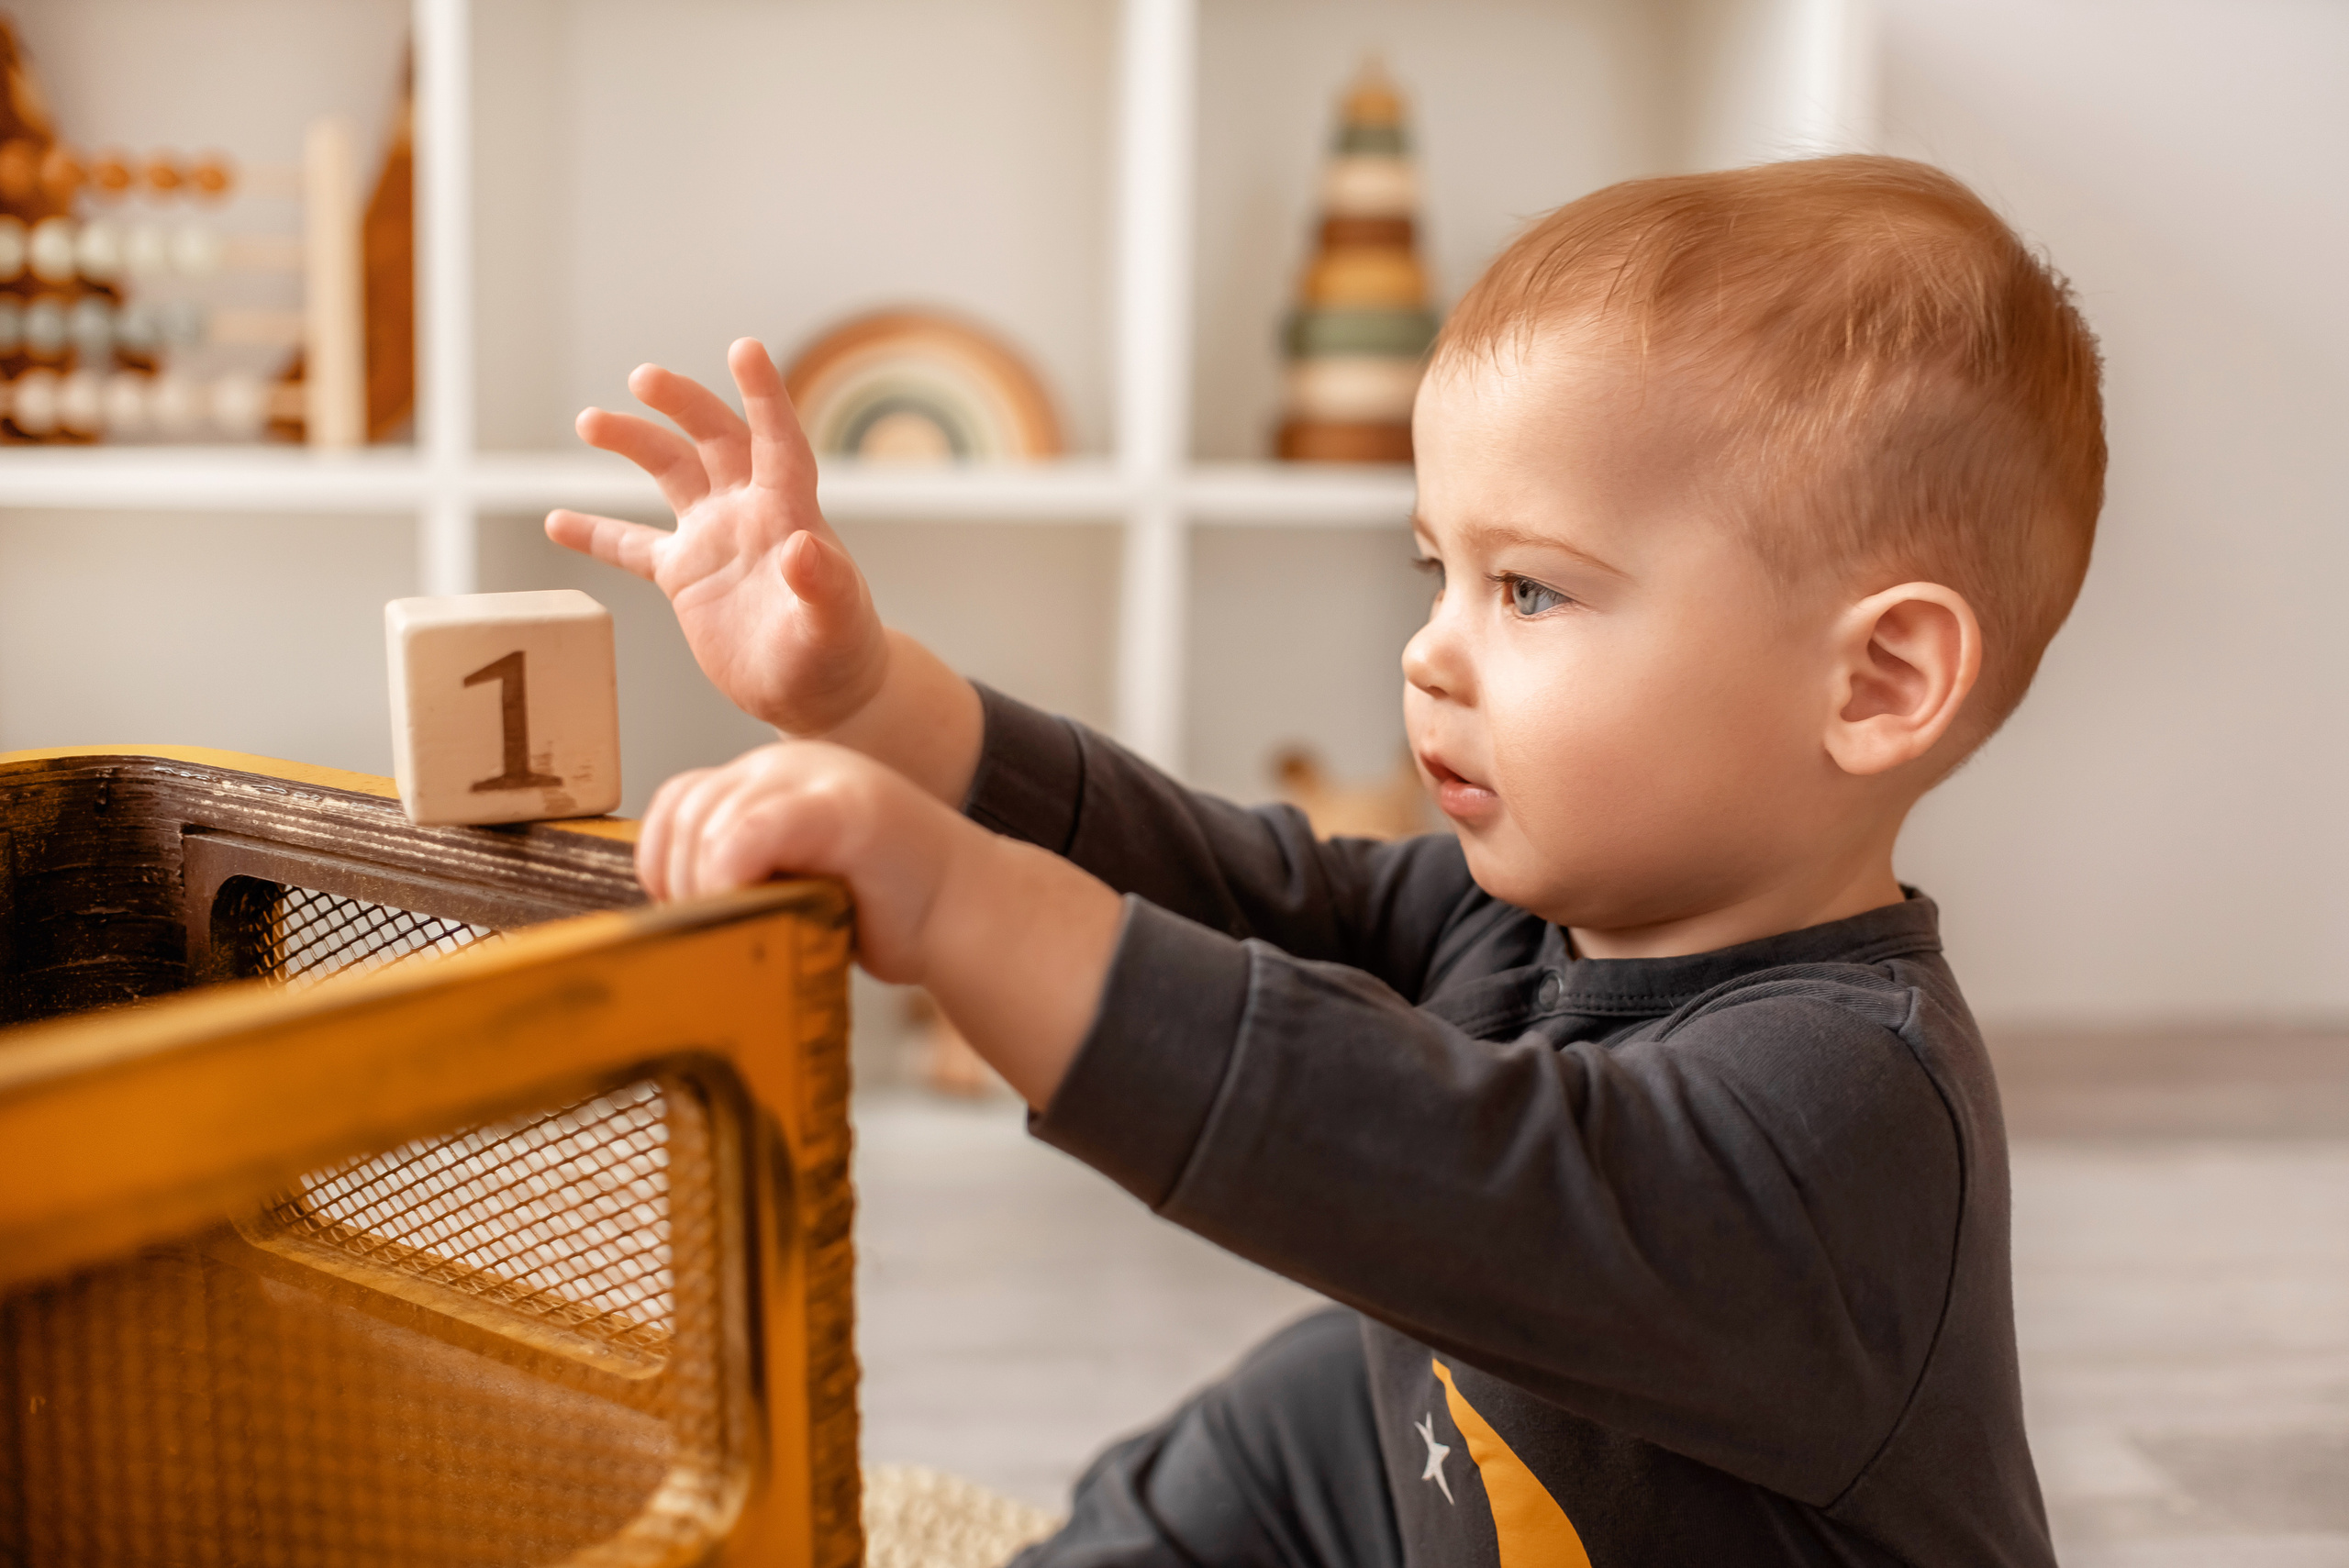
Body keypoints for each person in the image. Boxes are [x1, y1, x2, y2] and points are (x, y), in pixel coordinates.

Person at [546, 154, 2103, 1567]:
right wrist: (872, 699)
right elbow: (1228, 889)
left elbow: (1405, 1144)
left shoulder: (1846, 1119)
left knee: (1383, 1301)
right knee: (1311, 1405)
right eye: (1439, 569)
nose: (1428, 651)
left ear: (1879, 682)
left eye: (1533, 592)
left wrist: (958, 901)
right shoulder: (1531, 923)